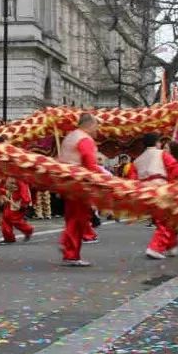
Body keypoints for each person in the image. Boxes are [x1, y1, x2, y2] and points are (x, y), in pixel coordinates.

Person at [128, 132, 178, 259]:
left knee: (166, 220)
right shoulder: (161, 154)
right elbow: (176, 169)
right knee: (167, 221)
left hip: (146, 193)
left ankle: (171, 246)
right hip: (161, 190)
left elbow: (132, 180)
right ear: (157, 142)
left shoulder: (136, 161)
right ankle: (155, 248)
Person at [57, 113, 100, 266]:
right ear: (89, 125)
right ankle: (70, 251)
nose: (97, 129)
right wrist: (102, 178)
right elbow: (90, 161)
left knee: (73, 217)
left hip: (67, 182)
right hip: (80, 183)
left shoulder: (70, 137)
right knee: (79, 218)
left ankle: (68, 248)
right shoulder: (85, 139)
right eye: (96, 125)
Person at [0, 177, 34, 244]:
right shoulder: (8, 175)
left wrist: (24, 204)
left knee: (15, 219)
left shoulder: (20, 179)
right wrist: (2, 193)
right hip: (11, 199)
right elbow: (4, 186)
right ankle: (9, 237)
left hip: (18, 201)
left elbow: (24, 191)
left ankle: (28, 230)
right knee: (5, 218)